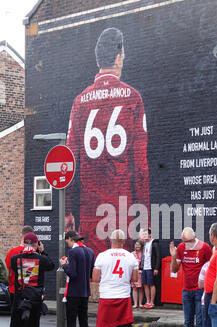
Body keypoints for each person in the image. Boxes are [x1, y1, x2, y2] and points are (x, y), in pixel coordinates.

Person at [65, 27, 149, 253]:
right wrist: (146, 218)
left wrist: (66, 210)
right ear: (119, 56)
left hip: (90, 212)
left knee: (94, 275)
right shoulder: (132, 97)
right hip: (122, 212)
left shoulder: (80, 101)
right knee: (123, 279)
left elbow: (70, 157)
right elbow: (141, 167)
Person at [92, 229, 139, 327]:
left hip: (107, 297)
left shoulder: (102, 256)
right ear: (123, 242)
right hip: (123, 297)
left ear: (111, 240)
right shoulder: (131, 257)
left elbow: (95, 278)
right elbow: (135, 279)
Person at [6, 233, 54, 327]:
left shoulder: (15, 259)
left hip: (19, 299)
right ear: (36, 244)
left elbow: (14, 268)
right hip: (34, 300)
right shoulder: (41, 260)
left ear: (24, 242)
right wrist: (42, 251)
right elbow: (51, 264)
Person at [169, 227, 212, 327]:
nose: (185, 243)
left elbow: (211, 267)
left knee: (200, 322)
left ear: (194, 238)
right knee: (188, 323)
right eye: (183, 241)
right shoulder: (181, 247)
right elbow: (174, 269)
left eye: (187, 241)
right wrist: (174, 256)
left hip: (200, 290)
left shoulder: (205, 248)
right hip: (186, 290)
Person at [59, 230, 95, 327]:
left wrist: (64, 264)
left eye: (67, 241)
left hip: (73, 293)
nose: (67, 244)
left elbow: (72, 274)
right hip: (85, 292)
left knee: (71, 325)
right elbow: (90, 272)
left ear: (70, 239)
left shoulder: (74, 252)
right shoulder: (90, 251)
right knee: (84, 325)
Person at [5, 225, 35, 308]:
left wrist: (11, 283)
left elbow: (7, 272)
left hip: (14, 289)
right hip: (31, 291)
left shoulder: (12, 252)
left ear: (20, 236)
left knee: (15, 318)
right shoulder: (35, 253)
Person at [140, 228, 160, 308]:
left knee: (151, 284)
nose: (144, 236)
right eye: (143, 235)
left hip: (151, 267)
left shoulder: (154, 243)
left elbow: (158, 256)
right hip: (144, 267)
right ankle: (147, 301)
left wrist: (156, 268)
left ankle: (152, 302)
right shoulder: (144, 244)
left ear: (149, 234)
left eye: (146, 234)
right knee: (145, 284)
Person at [131, 240, 144, 308]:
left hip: (142, 273)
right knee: (135, 288)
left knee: (141, 288)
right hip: (134, 273)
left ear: (141, 246)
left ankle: (140, 303)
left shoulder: (144, 254)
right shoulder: (132, 254)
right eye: (136, 245)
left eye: (139, 245)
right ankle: (135, 304)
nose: (137, 246)